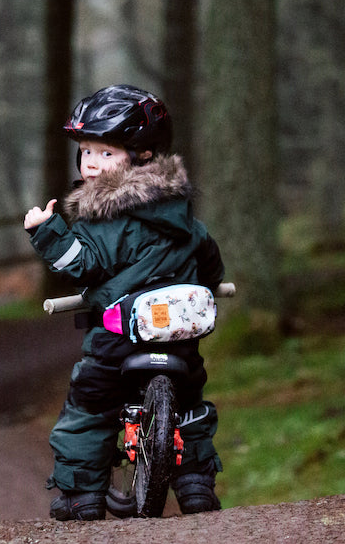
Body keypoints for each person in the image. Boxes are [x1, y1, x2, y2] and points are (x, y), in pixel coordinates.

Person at [24, 84, 226, 521]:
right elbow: (208, 257)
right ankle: (195, 485)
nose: (92, 163)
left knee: (89, 409)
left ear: (145, 155)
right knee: (189, 407)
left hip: (119, 341)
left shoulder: (106, 216)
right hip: (179, 340)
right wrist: (211, 285)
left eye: (106, 153)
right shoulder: (180, 213)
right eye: (86, 152)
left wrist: (46, 230)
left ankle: (82, 496)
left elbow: (81, 264)